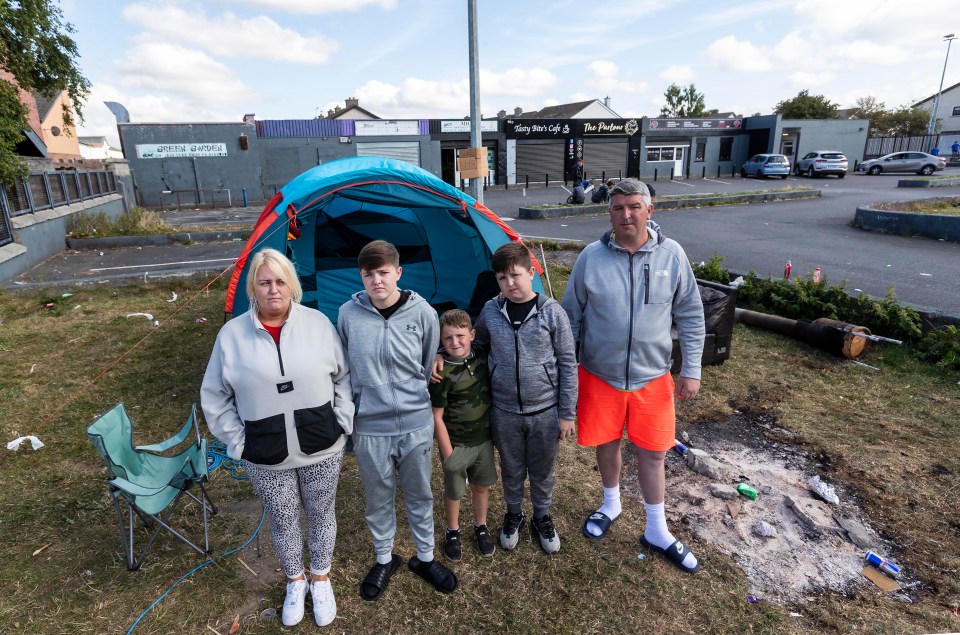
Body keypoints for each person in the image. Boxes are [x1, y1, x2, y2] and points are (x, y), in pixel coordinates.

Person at [201, 248, 352, 628]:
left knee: (320, 512)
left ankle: (320, 578)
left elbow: (344, 377)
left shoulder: (318, 324)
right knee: (283, 518)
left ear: (292, 286)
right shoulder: (231, 335)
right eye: (265, 282)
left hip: (322, 445)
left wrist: (343, 421)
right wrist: (238, 442)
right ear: (253, 287)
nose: (273, 289)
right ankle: (294, 579)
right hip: (265, 452)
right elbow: (215, 396)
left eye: (280, 281)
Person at [561, 178, 705, 574]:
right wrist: (565, 371)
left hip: (653, 376)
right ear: (609, 213)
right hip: (598, 374)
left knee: (653, 452)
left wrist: (691, 369)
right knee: (606, 443)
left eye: (634, 206)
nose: (626, 214)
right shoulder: (591, 257)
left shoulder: (672, 255)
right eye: (618, 207)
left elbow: (691, 314)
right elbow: (570, 317)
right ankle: (611, 503)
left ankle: (656, 529)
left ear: (649, 210)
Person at [336, 240, 458, 600]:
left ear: (398, 273)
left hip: (415, 424)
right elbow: (345, 364)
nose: (377, 281)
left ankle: (425, 557)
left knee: (420, 493)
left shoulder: (422, 313)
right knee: (378, 497)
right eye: (368, 274)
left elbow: (425, 362)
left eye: (384, 272)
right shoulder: (348, 314)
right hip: (371, 428)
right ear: (361, 276)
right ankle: (383, 557)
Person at [469, 242, 577, 553]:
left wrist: (567, 413)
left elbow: (568, 364)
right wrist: (444, 353)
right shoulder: (491, 310)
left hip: (544, 410)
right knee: (512, 467)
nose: (510, 284)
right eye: (502, 278)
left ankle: (542, 515)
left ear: (531, 273)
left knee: (542, 469)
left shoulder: (552, 313)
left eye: (515, 275)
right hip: (504, 411)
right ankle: (514, 513)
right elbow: (477, 344)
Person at [429, 309, 498, 562]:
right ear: (441, 341)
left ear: (472, 335)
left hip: (483, 441)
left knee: (481, 486)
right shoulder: (440, 373)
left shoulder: (481, 354)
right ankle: (453, 531)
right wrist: (449, 456)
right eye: (447, 339)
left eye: (460, 336)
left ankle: (481, 526)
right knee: (455, 491)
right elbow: (436, 416)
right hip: (456, 445)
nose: (455, 343)